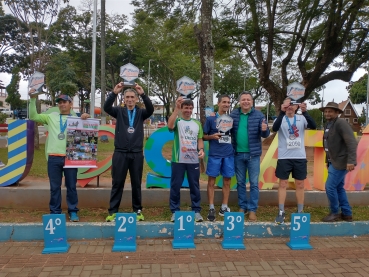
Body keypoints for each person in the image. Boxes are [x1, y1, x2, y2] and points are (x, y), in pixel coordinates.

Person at [28, 90, 90, 221]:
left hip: (70, 158)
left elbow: (88, 130)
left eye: (64, 102)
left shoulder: (77, 119)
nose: (62, 105)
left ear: (70, 104)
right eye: (60, 103)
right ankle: (55, 211)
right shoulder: (51, 117)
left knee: (71, 186)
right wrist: (33, 99)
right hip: (54, 158)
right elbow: (33, 116)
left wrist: (86, 117)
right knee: (54, 187)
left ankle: (73, 211)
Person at [104, 82, 154, 222]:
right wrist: (114, 92)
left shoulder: (141, 113)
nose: (130, 99)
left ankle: (137, 210)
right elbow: (106, 107)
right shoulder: (118, 111)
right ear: (124, 99)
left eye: (133, 97)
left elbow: (150, 109)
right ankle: (113, 211)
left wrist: (143, 93)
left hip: (136, 153)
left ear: (136, 99)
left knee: (136, 183)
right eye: (127, 97)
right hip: (120, 153)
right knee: (117, 183)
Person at [272, 98, 316, 224]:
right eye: (287, 104)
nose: (290, 106)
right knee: (283, 184)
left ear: (297, 106)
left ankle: (300, 211)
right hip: (284, 157)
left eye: (292, 104)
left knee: (300, 184)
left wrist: (305, 111)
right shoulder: (280, 118)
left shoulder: (301, 118)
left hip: (299, 157)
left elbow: (313, 126)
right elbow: (274, 128)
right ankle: (281, 211)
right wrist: (281, 112)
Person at [230, 91, 270, 221]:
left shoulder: (259, 115)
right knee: (240, 183)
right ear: (239, 102)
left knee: (253, 183)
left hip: (253, 155)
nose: (246, 101)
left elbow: (265, 135)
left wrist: (264, 130)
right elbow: (226, 131)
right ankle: (242, 206)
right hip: (238, 154)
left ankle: (252, 209)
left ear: (252, 102)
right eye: (243, 100)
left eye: (248, 99)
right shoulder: (233, 115)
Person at [168, 97, 205, 222]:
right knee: (175, 185)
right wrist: (176, 109)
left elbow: (200, 140)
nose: (188, 110)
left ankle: (196, 211)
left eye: (190, 108)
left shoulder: (197, 123)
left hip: (193, 161)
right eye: (186, 108)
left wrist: (201, 150)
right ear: (182, 108)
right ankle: (174, 211)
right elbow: (169, 125)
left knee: (194, 186)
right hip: (178, 160)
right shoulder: (178, 121)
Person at [320, 102, 357, 222]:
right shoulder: (328, 124)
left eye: (330, 111)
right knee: (339, 188)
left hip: (341, 161)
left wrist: (351, 161)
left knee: (330, 187)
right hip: (333, 161)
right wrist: (328, 161)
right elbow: (328, 145)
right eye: (326, 111)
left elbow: (351, 142)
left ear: (337, 113)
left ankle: (334, 212)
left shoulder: (341, 123)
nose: (327, 113)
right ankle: (347, 213)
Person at [203, 95, 234, 221]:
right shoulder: (211, 119)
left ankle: (224, 207)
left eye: (228, 102)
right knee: (211, 182)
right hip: (215, 155)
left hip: (228, 154)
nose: (226, 104)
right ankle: (211, 208)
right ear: (218, 103)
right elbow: (203, 136)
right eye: (224, 102)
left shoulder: (231, 119)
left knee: (227, 182)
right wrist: (212, 137)